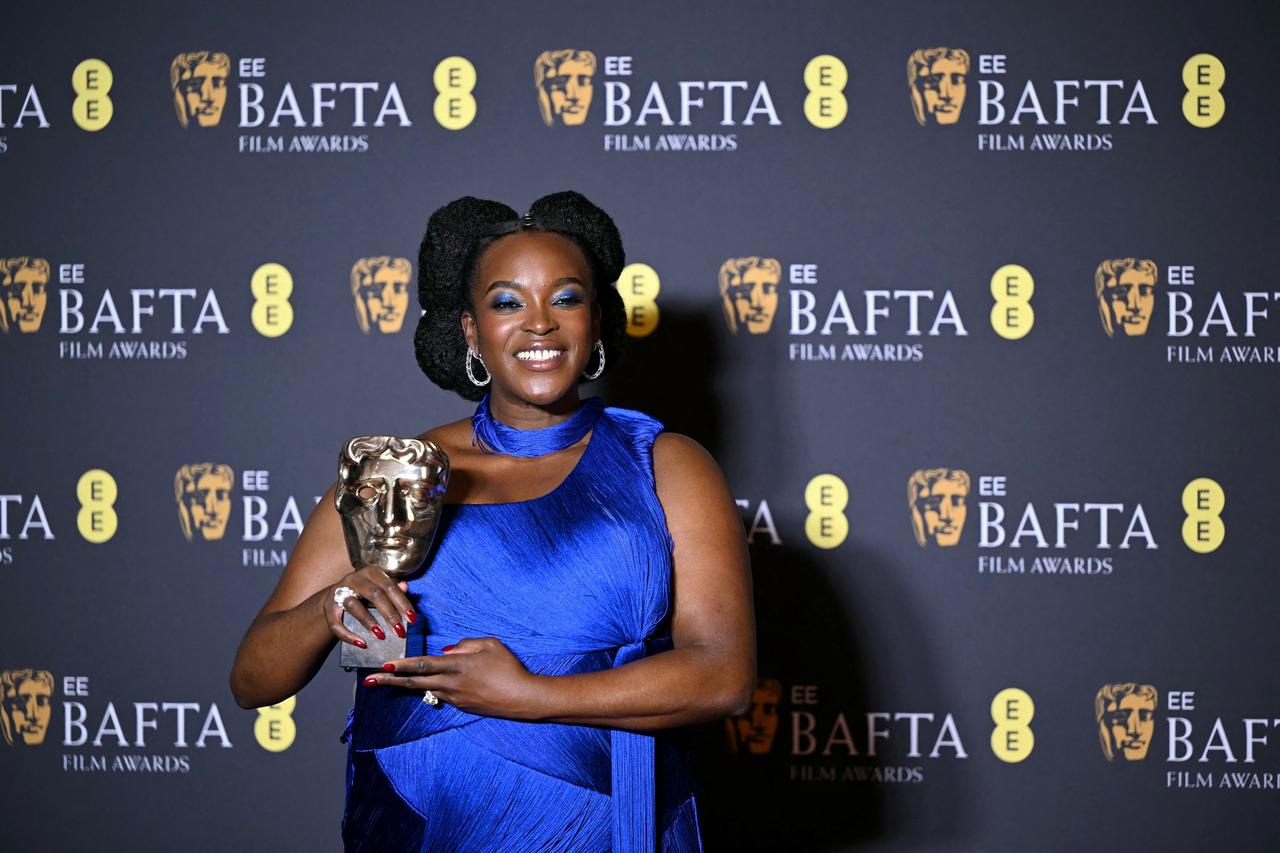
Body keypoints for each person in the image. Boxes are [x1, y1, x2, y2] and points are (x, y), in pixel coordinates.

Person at [229, 190, 756, 851]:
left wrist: (530, 695)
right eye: (508, 302)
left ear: (596, 321)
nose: (539, 323)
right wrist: (327, 609)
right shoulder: (399, 467)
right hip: (419, 825)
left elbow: (725, 677)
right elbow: (253, 677)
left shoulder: (667, 464)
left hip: (611, 821)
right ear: (472, 330)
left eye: (565, 298)